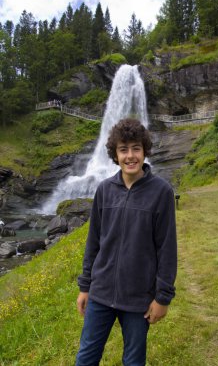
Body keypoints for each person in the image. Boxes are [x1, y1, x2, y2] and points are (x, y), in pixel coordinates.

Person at [76, 118, 177, 366]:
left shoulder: (161, 192)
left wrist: (162, 298)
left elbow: (167, 249)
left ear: (144, 151)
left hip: (138, 298)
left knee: (133, 360)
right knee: (86, 357)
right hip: (100, 292)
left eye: (136, 148)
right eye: (123, 149)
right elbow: (94, 242)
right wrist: (85, 286)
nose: (130, 156)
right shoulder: (104, 190)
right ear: (115, 154)